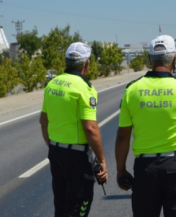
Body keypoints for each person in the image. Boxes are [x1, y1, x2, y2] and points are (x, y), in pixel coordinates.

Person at [115, 35, 176, 217]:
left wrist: (121, 170)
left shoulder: (132, 90)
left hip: (145, 169)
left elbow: (123, 137)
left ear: (149, 60)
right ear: (174, 59)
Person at [39, 42, 108, 217]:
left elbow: (43, 121)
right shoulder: (85, 88)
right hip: (77, 158)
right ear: (87, 64)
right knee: (77, 208)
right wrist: (102, 161)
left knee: (60, 207)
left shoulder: (52, 84)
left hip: (56, 153)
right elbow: (91, 128)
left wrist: (53, 146)